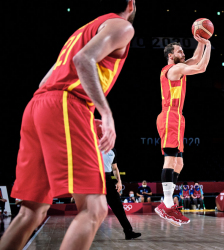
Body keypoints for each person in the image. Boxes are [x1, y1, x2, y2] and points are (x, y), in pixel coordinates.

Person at [0, 1, 136, 249]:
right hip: (65, 104)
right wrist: (105, 113)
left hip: (38, 105)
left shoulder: (82, 30)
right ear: (131, 3)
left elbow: (46, 78)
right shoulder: (122, 25)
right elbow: (83, 59)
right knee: (94, 209)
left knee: (31, 211)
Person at [154, 35, 212, 227]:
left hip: (176, 118)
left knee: (179, 163)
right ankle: (167, 204)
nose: (183, 53)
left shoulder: (177, 67)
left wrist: (201, 43)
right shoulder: (174, 68)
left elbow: (195, 59)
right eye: (179, 51)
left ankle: (167, 203)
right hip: (170, 116)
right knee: (170, 160)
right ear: (170, 56)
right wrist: (209, 44)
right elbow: (201, 67)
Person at [101, 147, 141, 240]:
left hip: (108, 179)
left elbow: (114, 168)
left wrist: (119, 181)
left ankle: (128, 232)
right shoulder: (93, 145)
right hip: (95, 179)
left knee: (118, 207)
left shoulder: (113, 150)